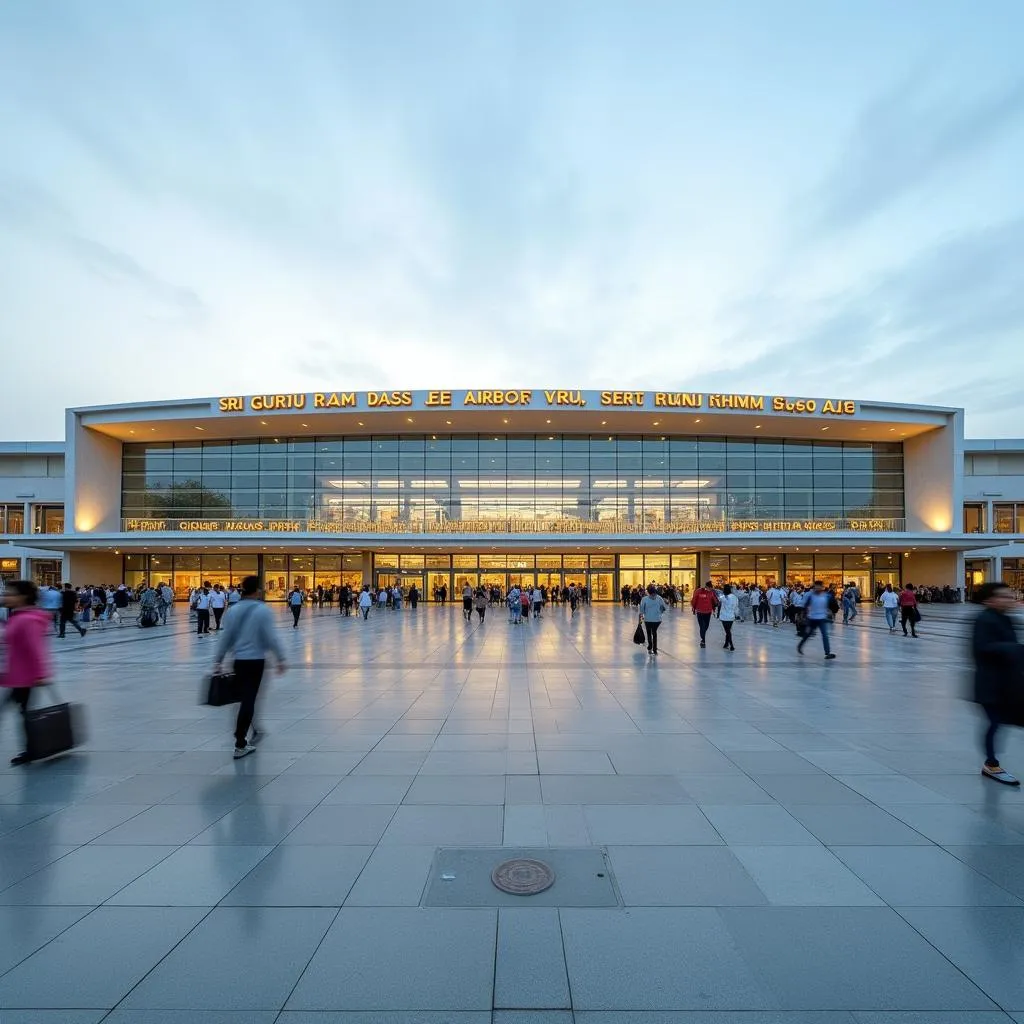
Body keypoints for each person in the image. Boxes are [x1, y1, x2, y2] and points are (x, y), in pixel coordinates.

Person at [212, 575, 286, 760]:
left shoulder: (233, 611)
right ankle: (240, 741)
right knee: (249, 699)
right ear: (257, 590)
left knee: (243, 698)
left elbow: (226, 637)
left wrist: (218, 660)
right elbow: (271, 637)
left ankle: (245, 732)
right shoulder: (262, 611)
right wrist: (280, 658)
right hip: (255, 661)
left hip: (238, 660)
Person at [970, 582, 1022, 785]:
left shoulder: (1005, 619)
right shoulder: (984, 619)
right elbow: (982, 648)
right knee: (994, 722)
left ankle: (991, 763)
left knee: (999, 722)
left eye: (1010, 596)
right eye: (1004, 596)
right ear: (989, 600)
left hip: (1007, 683)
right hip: (990, 684)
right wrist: (1014, 649)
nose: (1009, 599)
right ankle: (991, 764)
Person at [0, 581, 53, 765]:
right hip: (13, 675)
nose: (5, 597)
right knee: (24, 713)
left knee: (24, 713)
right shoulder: (18, 616)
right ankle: (31, 750)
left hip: (24, 677)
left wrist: (41, 674)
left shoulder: (27, 619)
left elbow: (36, 648)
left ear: (23, 597)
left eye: (10, 593)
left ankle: (31, 750)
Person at [798, 580, 836, 660]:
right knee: (808, 634)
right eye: (816, 586)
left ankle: (827, 653)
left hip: (822, 618)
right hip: (812, 619)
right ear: (814, 587)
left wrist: (830, 613)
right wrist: (803, 616)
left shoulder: (826, 596)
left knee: (825, 635)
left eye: (819, 586)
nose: (818, 588)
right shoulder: (811, 596)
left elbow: (831, 605)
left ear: (822, 587)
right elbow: (805, 606)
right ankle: (800, 645)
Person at [639, 583, 667, 655]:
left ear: (648, 592)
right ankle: (654, 649)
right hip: (657, 619)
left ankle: (650, 646)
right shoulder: (659, 598)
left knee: (649, 633)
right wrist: (660, 611)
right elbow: (664, 608)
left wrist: (640, 618)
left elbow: (642, 610)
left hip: (648, 619)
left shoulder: (644, 599)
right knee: (654, 633)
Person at [690, 580, 718, 648]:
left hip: (708, 612)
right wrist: (693, 607)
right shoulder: (698, 591)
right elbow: (694, 600)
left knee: (706, 626)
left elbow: (714, 601)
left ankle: (703, 636)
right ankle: (703, 641)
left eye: (711, 588)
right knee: (702, 626)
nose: (710, 589)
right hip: (700, 612)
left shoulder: (711, 592)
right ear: (707, 586)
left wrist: (716, 605)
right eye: (710, 588)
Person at [719, 583, 738, 651]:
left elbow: (719, 598)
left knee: (727, 631)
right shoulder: (734, 597)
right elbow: (736, 606)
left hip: (724, 617)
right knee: (728, 630)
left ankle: (731, 645)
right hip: (731, 616)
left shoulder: (723, 597)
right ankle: (726, 643)